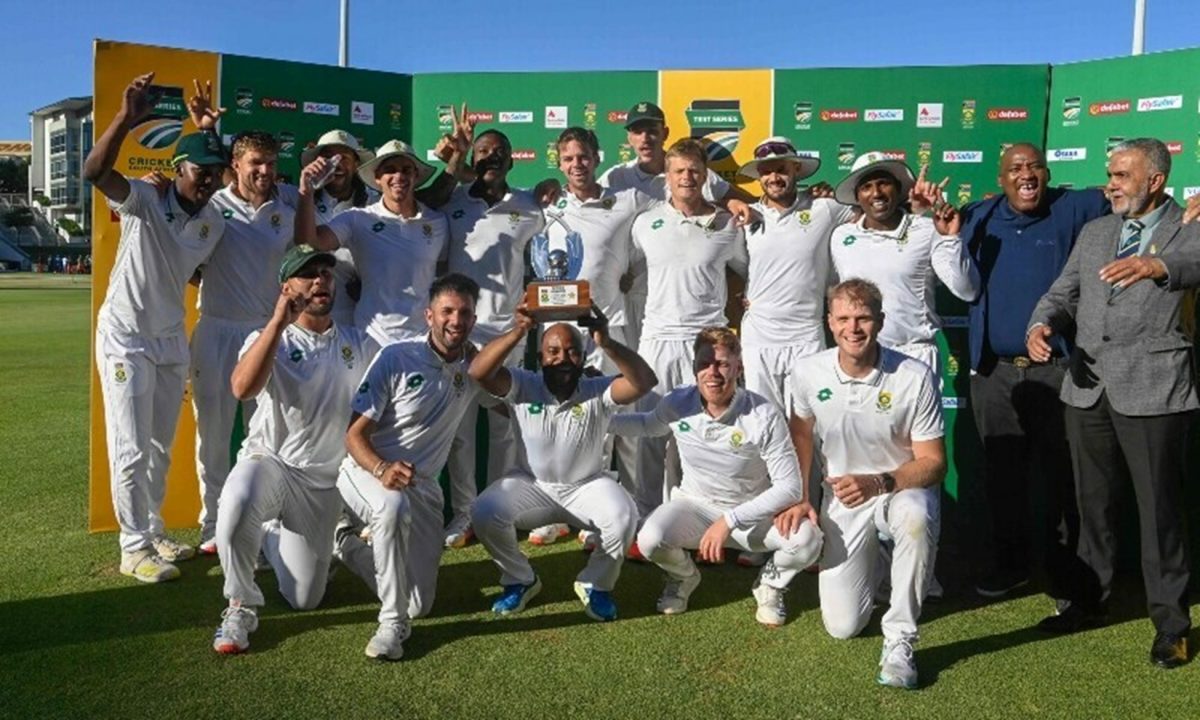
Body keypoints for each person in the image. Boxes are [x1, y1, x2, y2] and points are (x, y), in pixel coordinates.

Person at [1027, 138, 1200, 669]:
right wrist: (1042, 322)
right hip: (1087, 385)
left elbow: (1193, 262)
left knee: (1160, 512)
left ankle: (1171, 623)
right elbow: (1064, 290)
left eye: (1123, 175)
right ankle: (1088, 599)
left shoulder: (1189, 226)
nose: (1112, 183)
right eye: (1110, 173)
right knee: (1092, 504)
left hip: (1156, 387)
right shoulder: (1097, 230)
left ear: (1155, 180)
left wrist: (1156, 266)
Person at [84, 73, 227, 582]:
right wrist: (125, 118)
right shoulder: (144, 199)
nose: (207, 179)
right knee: (130, 445)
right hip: (125, 336)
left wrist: (202, 130)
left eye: (215, 171)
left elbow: (187, 271)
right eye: (198, 170)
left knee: (161, 446)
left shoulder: (215, 222)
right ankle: (132, 547)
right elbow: (95, 171)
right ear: (176, 167)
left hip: (170, 339)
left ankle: (153, 528)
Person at [957, 143, 1106, 603]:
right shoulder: (976, 216)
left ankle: (1066, 574)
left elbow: (1132, 195)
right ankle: (1011, 566)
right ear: (1000, 180)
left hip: (1056, 370)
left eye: (1035, 166)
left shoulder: (1076, 204)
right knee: (1002, 477)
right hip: (994, 374)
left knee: (1064, 477)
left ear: (1047, 172)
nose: (1026, 175)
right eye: (1015, 169)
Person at [210, 245, 368, 654]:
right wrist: (278, 323)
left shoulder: (357, 341)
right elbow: (242, 388)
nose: (320, 280)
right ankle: (240, 605)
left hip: (321, 483)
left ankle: (271, 534)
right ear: (287, 287)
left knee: (305, 599)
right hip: (272, 462)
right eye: (307, 274)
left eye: (326, 273)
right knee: (238, 502)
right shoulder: (267, 338)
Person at [790, 279, 945, 689]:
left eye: (863, 318)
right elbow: (801, 435)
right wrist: (802, 497)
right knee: (843, 626)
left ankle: (900, 641)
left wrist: (878, 482)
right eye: (843, 318)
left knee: (916, 514)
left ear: (880, 321)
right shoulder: (807, 371)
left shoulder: (914, 375)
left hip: (897, 488)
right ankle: (880, 564)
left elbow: (933, 464)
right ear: (829, 322)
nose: (853, 328)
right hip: (844, 500)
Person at [610, 327, 822, 626]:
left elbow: (790, 487)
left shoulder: (763, 414)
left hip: (751, 515)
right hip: (694, 506)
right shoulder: (676, 403)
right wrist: (602, 422)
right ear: (694, 367)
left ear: (739, 367)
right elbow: (647, 426)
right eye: (704, 363)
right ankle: (683, 577)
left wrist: (729, 520)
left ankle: (770, 585)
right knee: (649, 540)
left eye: (722, 363)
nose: (713, 373)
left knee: (808, 540)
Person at [468, 303, 656, 621]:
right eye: (553, 352)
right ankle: (520, 580)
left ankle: (595, 584)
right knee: (484, 510)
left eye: (571, 352)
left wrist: (606, 342)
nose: (562, 359)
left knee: (624, 515)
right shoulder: (523, 384)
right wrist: (519, 330)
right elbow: (478, 372)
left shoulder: (597, 389)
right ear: (540, 358)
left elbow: (643, 382)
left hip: (586, 486)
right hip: (532, 485)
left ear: (583, 359)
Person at [335, 273, 485, 661]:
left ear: (473, 317)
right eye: (447, 311)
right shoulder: (395, 357)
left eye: (465, 312)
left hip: (423, 487)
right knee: (390, 508)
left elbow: (512, 393)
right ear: (429, 315)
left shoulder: (475, 366)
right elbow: (353, 435)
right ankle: (391, 625)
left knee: (421, 604)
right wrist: (382, 468)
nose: (456, 320)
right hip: (366, 471)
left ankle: (346, 545)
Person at [525, 126, 655, 546]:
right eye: (567, 159)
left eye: (583, 157)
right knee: (568, 426)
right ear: (558, 163)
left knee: (623, 424)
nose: (576, 165)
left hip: (611, 327)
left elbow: (680, 208)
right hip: (559, 335)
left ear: (598, 158)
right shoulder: (544, 205)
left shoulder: (626, 200)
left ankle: (633, 510)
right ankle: (567, 512)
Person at [192, 127, 300, 553]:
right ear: (235, 165)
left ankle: (264, 524)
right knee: (214, 435)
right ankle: (212, 524)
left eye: (271, 164)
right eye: (256, 163)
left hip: (265, 334)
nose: (264, 171)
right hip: (217, 328)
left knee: (267, 436)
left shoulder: (286, 205)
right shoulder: (212, 207)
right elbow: (188, 262)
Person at [628, 138, 747, 523]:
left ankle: (694, 519)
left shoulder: (728, 225)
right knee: (650, 435)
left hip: (705, 344)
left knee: (697, 438)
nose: (687, 178)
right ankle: (646, 515)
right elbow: (623, 272)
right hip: (656, 341)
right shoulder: (645, 223)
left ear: (706, 175)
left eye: (694, 171)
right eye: (679, 171)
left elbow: (750, 275)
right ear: (667, 175)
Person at [441, 129, 545, 549]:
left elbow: (541, 267)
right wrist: (453, 158)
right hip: (458, 333)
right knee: (461, 429)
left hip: (507, 333)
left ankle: (500, 510)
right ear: (474, 156)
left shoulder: (529, 205)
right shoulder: (452, 201)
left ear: (511, 161)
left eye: (500, 153)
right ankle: (464, 513)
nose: (491, 158)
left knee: (505, 428)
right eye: (484, 151)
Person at [599, 100, 754, 357]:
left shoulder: (691, 169)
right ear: (628, 138)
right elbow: (590, 211)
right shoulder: (615, 177)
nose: (645, 138)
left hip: (695, 304)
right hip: (642, 301)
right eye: (637, 131)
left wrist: (732, 201)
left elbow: (741, 201)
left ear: (665, 133)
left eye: (652, 131)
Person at [295, 140, 448, 360]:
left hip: (423, 340)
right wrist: (306, 191)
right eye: (390, 170)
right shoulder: (358, 219)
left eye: (406, 170)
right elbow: (308, 243)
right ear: (377, 178)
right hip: (371, 339)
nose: (399, 176)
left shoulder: (438, 222)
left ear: (416, 175)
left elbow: (441, 274)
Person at [829, 152, 979, 375]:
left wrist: (950, 239)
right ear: (857, 197)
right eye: (867, 187)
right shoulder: (841, 236)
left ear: (898, 190)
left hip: (913, 356)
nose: (876, 193)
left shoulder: (928, 229)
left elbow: (967, 291)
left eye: (884, 184)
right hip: (859, 357)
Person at [301, 130, 377, 328]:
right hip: (308, 314)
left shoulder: (376, 204)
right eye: (328, 157)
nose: (336, 164)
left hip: (360, 317)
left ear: (356, 164)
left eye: (344, 157)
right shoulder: (298, 199)